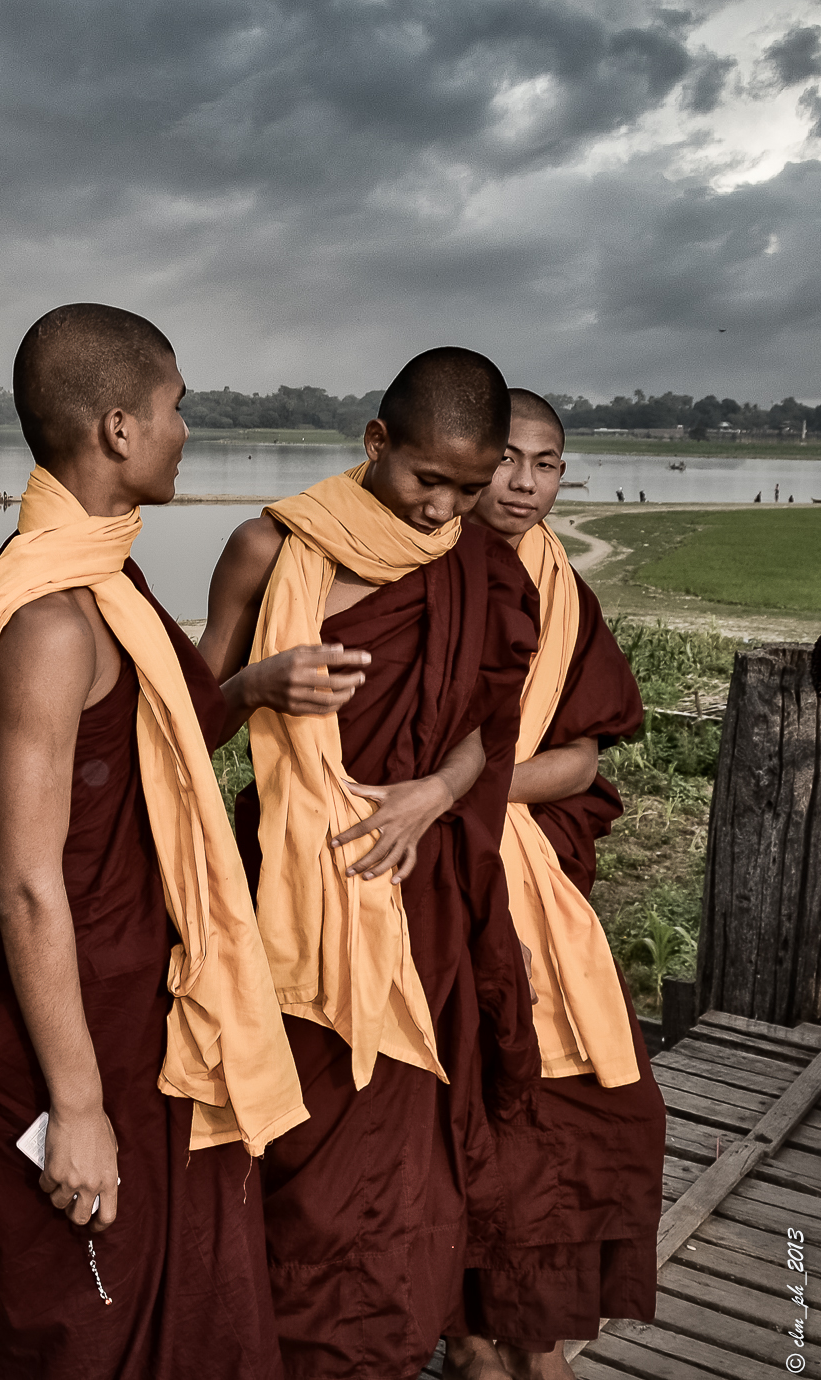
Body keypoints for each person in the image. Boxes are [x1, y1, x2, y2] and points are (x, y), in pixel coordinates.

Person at [0, 304, 306, 1380]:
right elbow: (21, 886)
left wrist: (256, 686)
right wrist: (80, 1106)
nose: (186, 429)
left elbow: (168, 740)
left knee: (170, 1294)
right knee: (84, 1319)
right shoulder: (53, 620)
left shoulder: (102, 587)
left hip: (137, 1010)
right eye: (175, 408)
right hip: (71, 1031)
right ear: (115, 429)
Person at [199, 346, 540, 1379]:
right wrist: (258, 680)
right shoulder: (267, 548)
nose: (442, 509)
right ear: (373, 442)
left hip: (419, 894)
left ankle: (387, 1351)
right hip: (285, 902)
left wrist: (431, 798)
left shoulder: (482, 566)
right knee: (290, 1158)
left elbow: (491, 728)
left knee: (403, 1168)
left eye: (467, 488)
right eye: (423, 480)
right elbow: (179, 727)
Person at [441, 391, 662, 1380]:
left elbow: (576, 760)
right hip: (429, 889)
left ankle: (532, 1337)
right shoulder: (414, 576)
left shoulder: (563, 588)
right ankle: (470, 1335)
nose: (526, 482)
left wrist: (458, 796)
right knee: (454, 1113)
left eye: (547, 463)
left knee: (573, 1114)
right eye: (508, 460)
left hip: (519, 877)